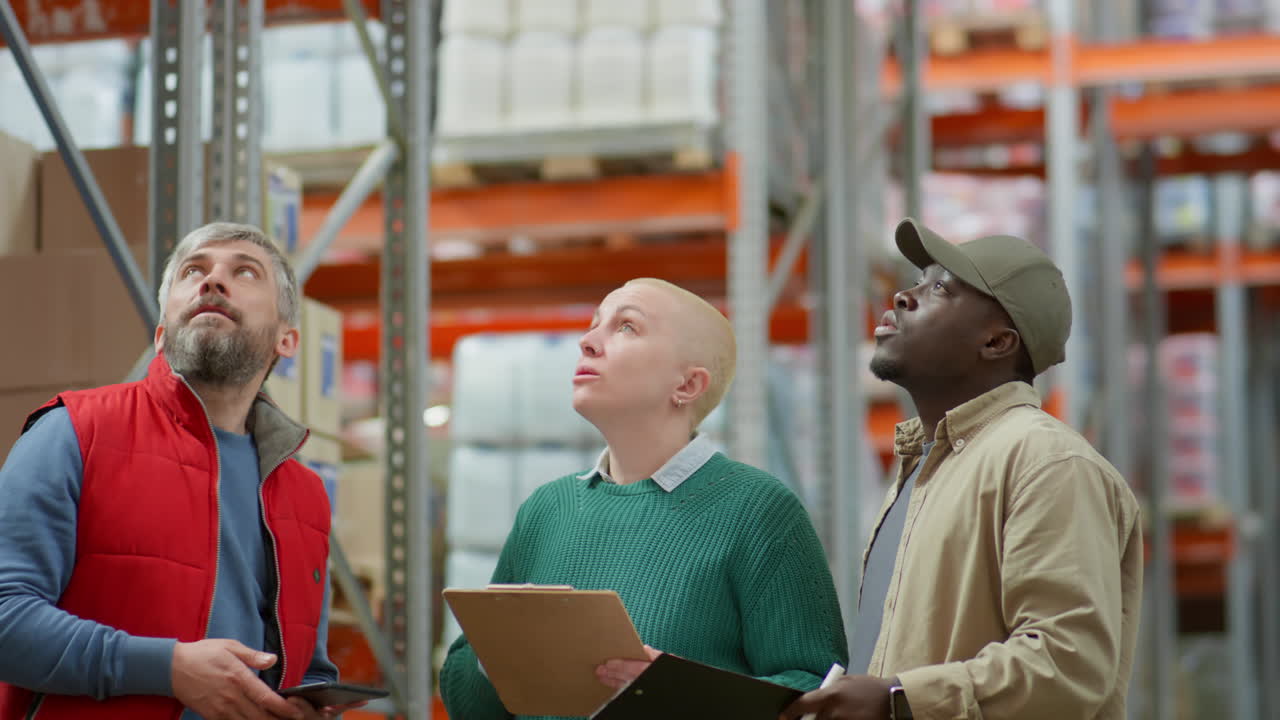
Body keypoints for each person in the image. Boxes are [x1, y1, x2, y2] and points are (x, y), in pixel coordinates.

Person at [782, 219, 1142, 720]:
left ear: (997, 343)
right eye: (915, 281)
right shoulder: (923, 469)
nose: (904, 296)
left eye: (939, 290)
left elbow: (1067, 663)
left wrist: (897, 701)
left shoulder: (1046, 461)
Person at [441, 278, 848, 719]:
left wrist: (678, 691)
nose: (587, 342)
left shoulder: (758, 510)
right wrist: (496, 654)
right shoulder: (545, 510)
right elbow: (469, 704)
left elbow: (813, 692)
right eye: (594, 325)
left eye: (626, 327)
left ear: (688, 385)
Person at [0, 222, 347, 720]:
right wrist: (168, 668)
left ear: (286, 340)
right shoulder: (73, 432)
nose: (213, 281)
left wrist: (306, 704)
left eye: (245, 272)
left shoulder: (305, 494)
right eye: (194, 271)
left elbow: (307, 667)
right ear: (162, 334)